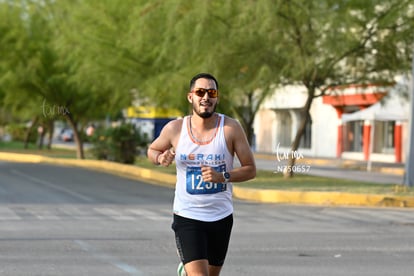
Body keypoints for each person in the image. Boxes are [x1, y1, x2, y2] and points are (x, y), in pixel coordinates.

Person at [147, 73, 256, 276]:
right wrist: (159, 158)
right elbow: (152, 150)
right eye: (200, 92)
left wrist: (222, 176)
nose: (206, 97)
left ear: (217, 98)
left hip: (221, 216)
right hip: (187, 215)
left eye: (211, 92)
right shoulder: (175, 129)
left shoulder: (231, 128)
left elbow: (250, 169)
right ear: (191, 97)